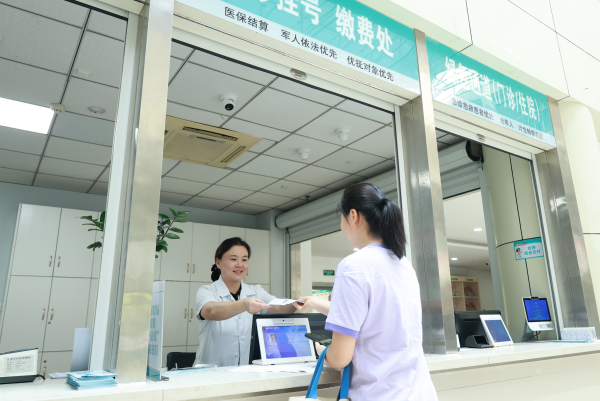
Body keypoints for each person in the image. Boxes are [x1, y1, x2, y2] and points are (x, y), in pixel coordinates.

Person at [294, 183, 438, 400]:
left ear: (353, 216)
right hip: (419, 393)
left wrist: (321, 350)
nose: (341, 227)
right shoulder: (403, 264)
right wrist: (314, 302)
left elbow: (340, 357)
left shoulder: (353, 266)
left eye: (341, 219)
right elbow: (374, 316)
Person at [194, 237, 295, 367]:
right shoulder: (207, 291)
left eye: (244, 259)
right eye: (233, 259)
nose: (239, 265)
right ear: (218, 262)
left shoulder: (256, 291)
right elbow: (212, 311)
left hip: (243, 371)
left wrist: (297, 303)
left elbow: (278, 308)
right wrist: (244, 304)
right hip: (210, 372)